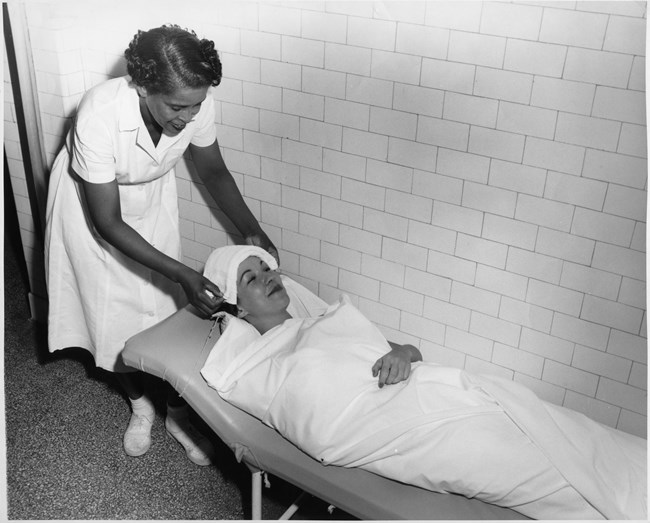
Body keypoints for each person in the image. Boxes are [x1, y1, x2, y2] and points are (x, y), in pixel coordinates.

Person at [201, 245, 647, 520]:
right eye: (251, 278)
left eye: (266, 269)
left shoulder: (324, 319)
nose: (269, 278)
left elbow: (408, 352)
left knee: (547, 422)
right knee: (526, 464)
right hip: (396, 430)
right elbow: (315, 420)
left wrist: (402, 355)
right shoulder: (259, 368)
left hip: (430, 395)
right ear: (237, 306)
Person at [44, 25, 277, 465]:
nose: (188, 117)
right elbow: (108, 222)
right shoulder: (99, 113)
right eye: (177, 107)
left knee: (163, 310)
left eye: (197, 105)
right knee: (112, 313)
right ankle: (139, 404)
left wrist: (252, 229)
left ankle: (176, 412)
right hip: (95, 210)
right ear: (142, 84)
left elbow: (214, 173)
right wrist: (184, 272)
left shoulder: (192, 101)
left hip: (149, 200)